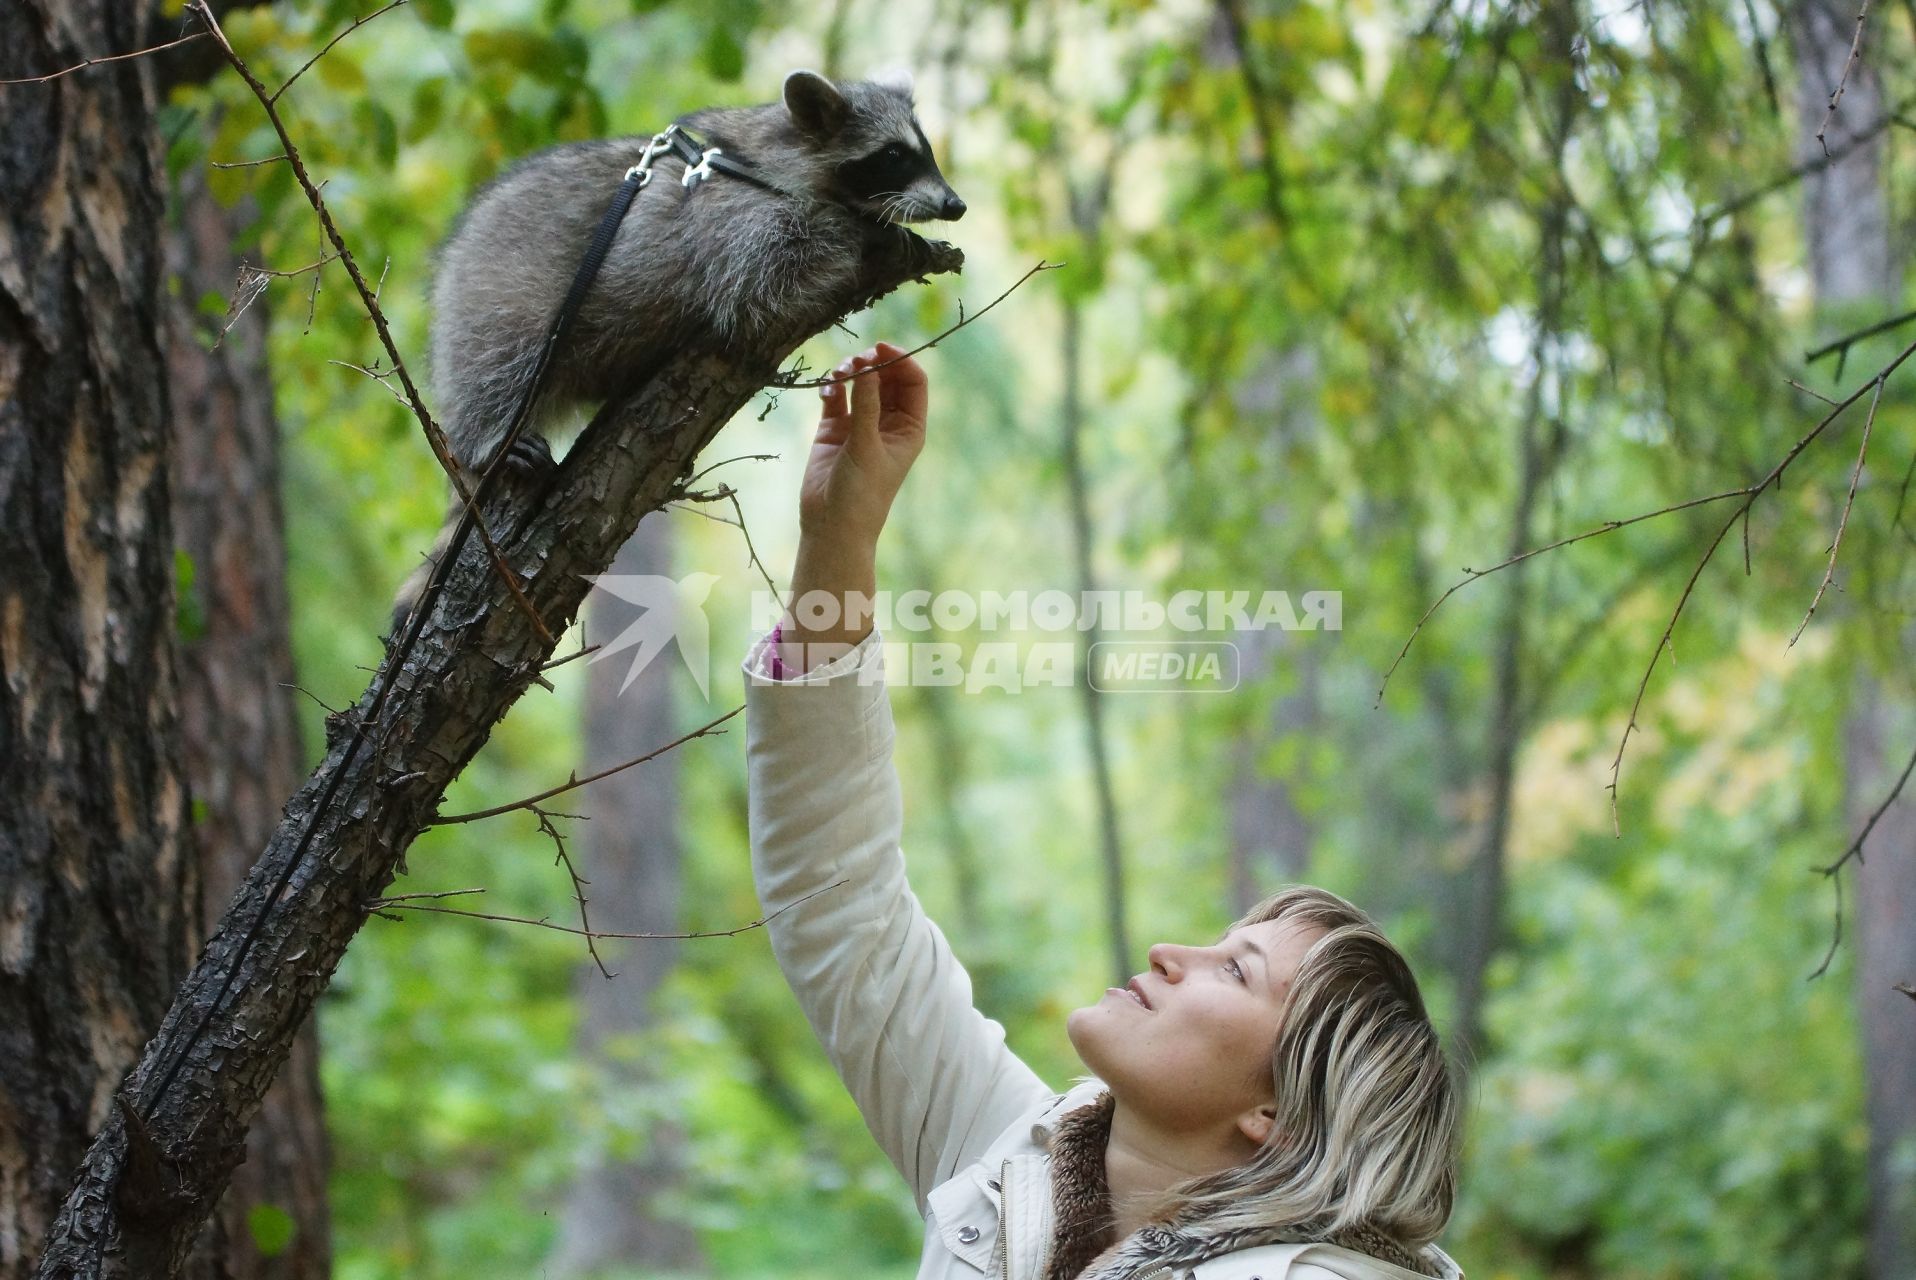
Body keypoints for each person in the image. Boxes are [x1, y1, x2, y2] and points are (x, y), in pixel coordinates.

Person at [740, 342, 1466, 1280]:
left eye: (1236, 972)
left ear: (1277, 1115)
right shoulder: (1007, 1164)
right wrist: (840, 537)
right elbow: (840, 908)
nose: (1172, 951)